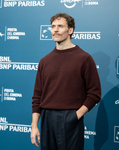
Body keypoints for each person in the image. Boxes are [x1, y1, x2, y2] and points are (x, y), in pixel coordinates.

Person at [30, 13, 101, 150]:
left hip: (71, 118)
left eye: (60, 26)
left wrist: (75, 116)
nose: (55, 30)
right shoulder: (45, 61)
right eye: (53, 26)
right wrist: (34, 126)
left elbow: (94, 93)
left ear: (70, 30)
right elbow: (37, 96)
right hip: (47, 119)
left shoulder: (84, 58)